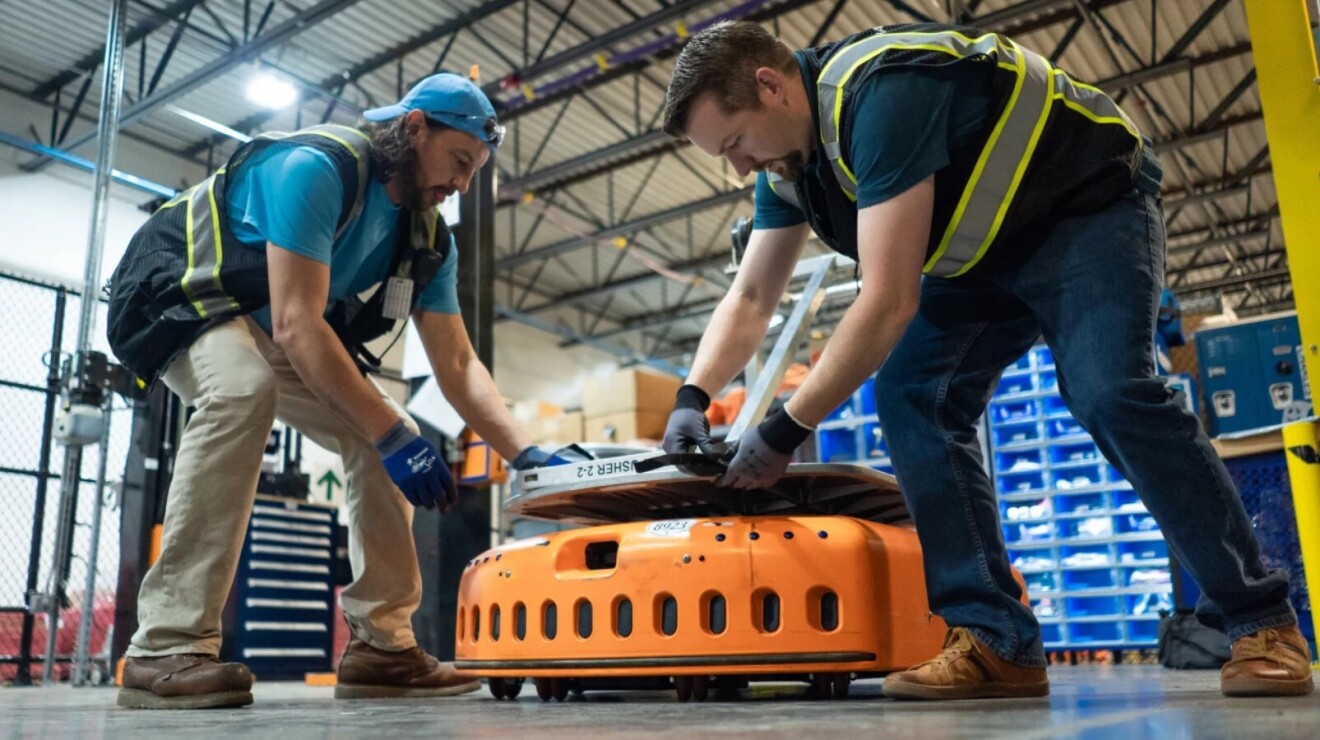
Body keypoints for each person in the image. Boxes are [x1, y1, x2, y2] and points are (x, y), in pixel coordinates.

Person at [659, 21, 1312, 700]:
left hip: (1087, 214)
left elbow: (887, 300)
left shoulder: (881, 90)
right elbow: (754, 294)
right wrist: (691, 399)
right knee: (912, 395)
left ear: (771, 86)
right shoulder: (790, 166)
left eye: (734, 143)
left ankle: (1259, 620)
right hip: (981, 256)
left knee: (1110, 391)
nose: (737, 167)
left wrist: (784, 430)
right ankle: (994, 642)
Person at [106, 73, 563, 709]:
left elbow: (457, 362)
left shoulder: (428, 239)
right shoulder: (317, 169)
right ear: (414, 128)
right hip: (180, 292)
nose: (463, 184)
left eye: (474, 171)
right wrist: (394, 436)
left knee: (377, 426)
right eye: (460, 161)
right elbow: (299, 322)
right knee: (244, 390)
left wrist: (531, 457)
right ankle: (163, 647)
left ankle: (382, 648)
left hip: (268, 322)